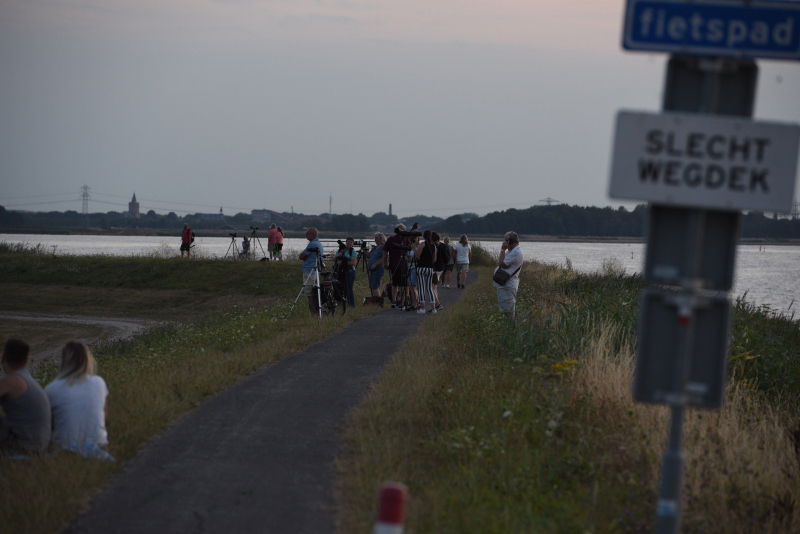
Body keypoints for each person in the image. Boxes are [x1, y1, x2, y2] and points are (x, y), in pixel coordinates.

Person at [45, 341, 113, 460]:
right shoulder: (99, 382)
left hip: (64, 450)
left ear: (64, 361)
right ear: (88, 360)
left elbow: (49, 426)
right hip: (99, 445)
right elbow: (104, 417)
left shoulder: (52, 388)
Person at [0, 338, 52, 453]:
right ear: (27, 360)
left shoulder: (12, 381)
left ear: (3, 358)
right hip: (40, 445)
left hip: (25, 447)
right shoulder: (27, 379)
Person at [493, 231, 524, 323]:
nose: (503, 242)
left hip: (508, 284)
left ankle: (511, 329)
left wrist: (502, 250)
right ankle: (509, 328)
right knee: (506, 310)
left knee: (509, 311)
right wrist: (502, 263)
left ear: (509, 241)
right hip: (504, 284)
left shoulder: (516, 252)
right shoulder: (511, 251)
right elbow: (499, 262)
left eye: (505, 240)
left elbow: (500, 263)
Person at [382, 224, 410, 308]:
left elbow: (385, 252)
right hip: (404, 265)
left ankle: (394, 301)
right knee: (403, 285)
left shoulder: (390, 239)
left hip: (393, 264)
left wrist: (385, 263)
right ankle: (402, 302)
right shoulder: (406, 240)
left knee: (394, 284)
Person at [298, 227, 323, 316]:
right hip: (315, 271)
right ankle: (317, 312)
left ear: (312, 234)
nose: (306, 235)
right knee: (315, 293)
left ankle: (313, 314)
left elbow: (301, 256)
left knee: (310, 295)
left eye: (308, 233)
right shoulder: (318, 243)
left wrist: (305, 257)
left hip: (309, 271)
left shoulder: (312, 244)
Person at [413, 229, 437, 314]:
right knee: (429, 288)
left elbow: (417, 255)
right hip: (430, 268)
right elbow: (434, 259)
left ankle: (422, 308)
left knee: (421, 288)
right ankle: (434, 308)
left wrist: (414, 248)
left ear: (424, 236)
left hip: (421, 267)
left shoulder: (423, 244)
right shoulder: (433, 246)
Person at [334, 237, 359, 308]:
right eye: (348, 241)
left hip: (349, 272)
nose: (349, 243)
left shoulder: (352, 251)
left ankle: (351, 305)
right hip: (339, 271)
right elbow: (334, 259)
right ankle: (340, 303)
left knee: (348, 289)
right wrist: (337, 255)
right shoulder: (340, 250)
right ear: (346, 242)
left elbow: (353, 263)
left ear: (352, 244)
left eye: (351, 242)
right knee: (339, 288)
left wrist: (343, 263)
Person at [367, 233, 386, 297]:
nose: (375, 239)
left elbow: (383, 259)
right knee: (372, 286)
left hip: (378, 269)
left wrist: (375, 264)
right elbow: (370, 255)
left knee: (375, 286)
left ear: (381, 239)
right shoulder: (375, 248)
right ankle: (374, 299)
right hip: (372, 269)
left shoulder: (383, 248)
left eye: (376, 238)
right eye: (374, 238)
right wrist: (365, 251)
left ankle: (377, 299)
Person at [431, 232, 444, 311]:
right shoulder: (441, 245)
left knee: (431, 288)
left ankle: (438, 303)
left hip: (434, 269)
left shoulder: (433, 246)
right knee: (435, 287)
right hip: (441, 268)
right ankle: (436, 305)